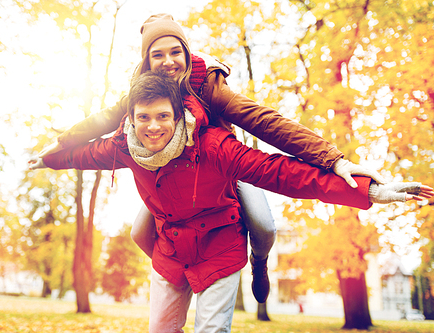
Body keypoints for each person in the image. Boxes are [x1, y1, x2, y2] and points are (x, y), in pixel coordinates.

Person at [29, 70, 433, 333]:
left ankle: (260, 263)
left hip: (221, 237)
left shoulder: (213, 127)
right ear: (130, 119)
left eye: (163, 117)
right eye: (144, 118)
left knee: (262, 227)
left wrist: (367, 189)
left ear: (178, 112)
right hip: (171, 245)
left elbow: (284, 171)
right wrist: (48, 158)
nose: (154, 127)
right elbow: (81, 155)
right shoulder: (124, 146)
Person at [34, 13, 386, 303]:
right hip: (170, 182)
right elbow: (104, 120)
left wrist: (333, 160)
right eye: (157, 55)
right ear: (146, 61)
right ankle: (183, 273)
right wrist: (59, 145)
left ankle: (259, 261)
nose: (168, 62)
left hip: (222, 168)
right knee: (140, 233)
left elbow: (265, 121)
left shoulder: (208, 86)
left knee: (263, 224)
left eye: (176, 52)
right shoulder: (140, 93)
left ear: (187, 53)